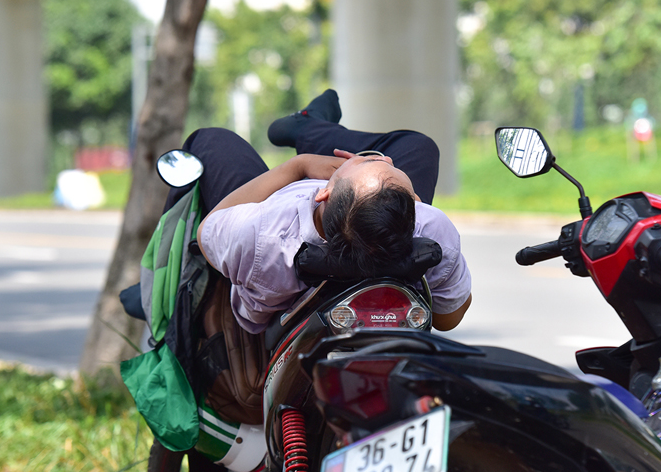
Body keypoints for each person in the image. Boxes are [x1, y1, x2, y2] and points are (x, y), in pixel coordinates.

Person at [176, 89, 472, 334]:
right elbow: (448, 318)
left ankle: (160, 293)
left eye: (365, 161)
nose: (387, 159)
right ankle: (307, 126)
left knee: (211, 139)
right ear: (415, 208)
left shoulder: (260, 232)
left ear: (323, 191)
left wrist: (298, 166)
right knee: (418, 146)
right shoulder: (432, 228)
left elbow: (207, 232)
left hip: (266, 314)